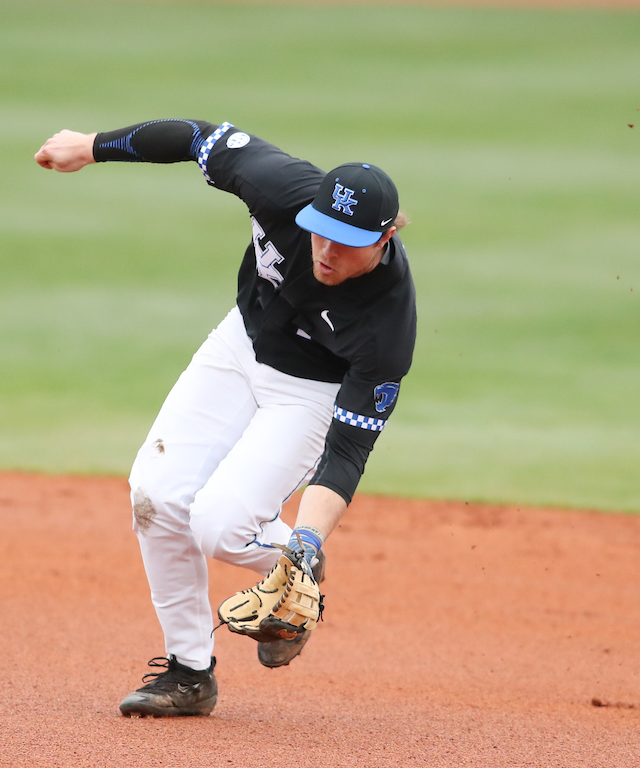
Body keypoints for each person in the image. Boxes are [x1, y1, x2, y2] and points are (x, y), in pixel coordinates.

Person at [34, 120, 416, 717]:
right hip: (238, 346)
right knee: (155, 497)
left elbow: (347, 453)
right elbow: (194, 136)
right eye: (321, 232)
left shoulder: (387, 330)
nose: (326, 250)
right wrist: (91, 147)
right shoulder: (279, 187)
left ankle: (298, 566)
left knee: (219, 525)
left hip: (308, 392)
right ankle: (189, 673)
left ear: (386, 236)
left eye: (347, 241)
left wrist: (310, 537)